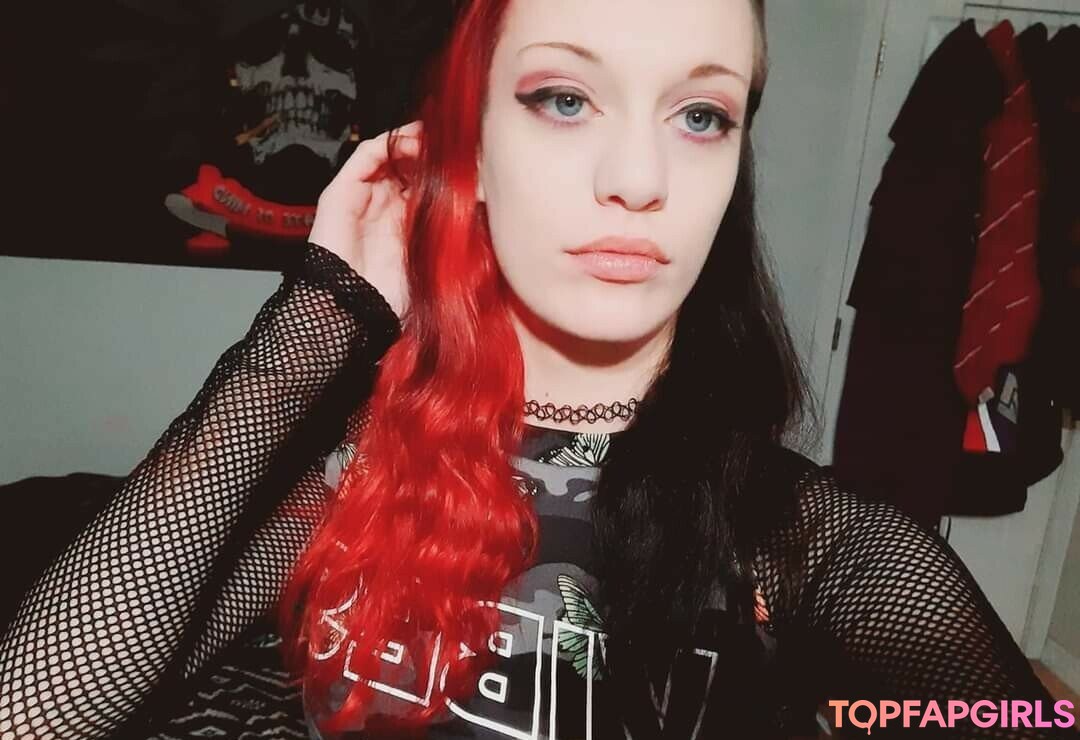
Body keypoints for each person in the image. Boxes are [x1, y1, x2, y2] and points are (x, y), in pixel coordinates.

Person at [0, 0, 1075, 738]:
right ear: (467, 144)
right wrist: (327, 307)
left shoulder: (797, 536)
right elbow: (36, 707)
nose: (641, 177)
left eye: (701, 115)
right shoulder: (357, 469)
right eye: (565, 97)